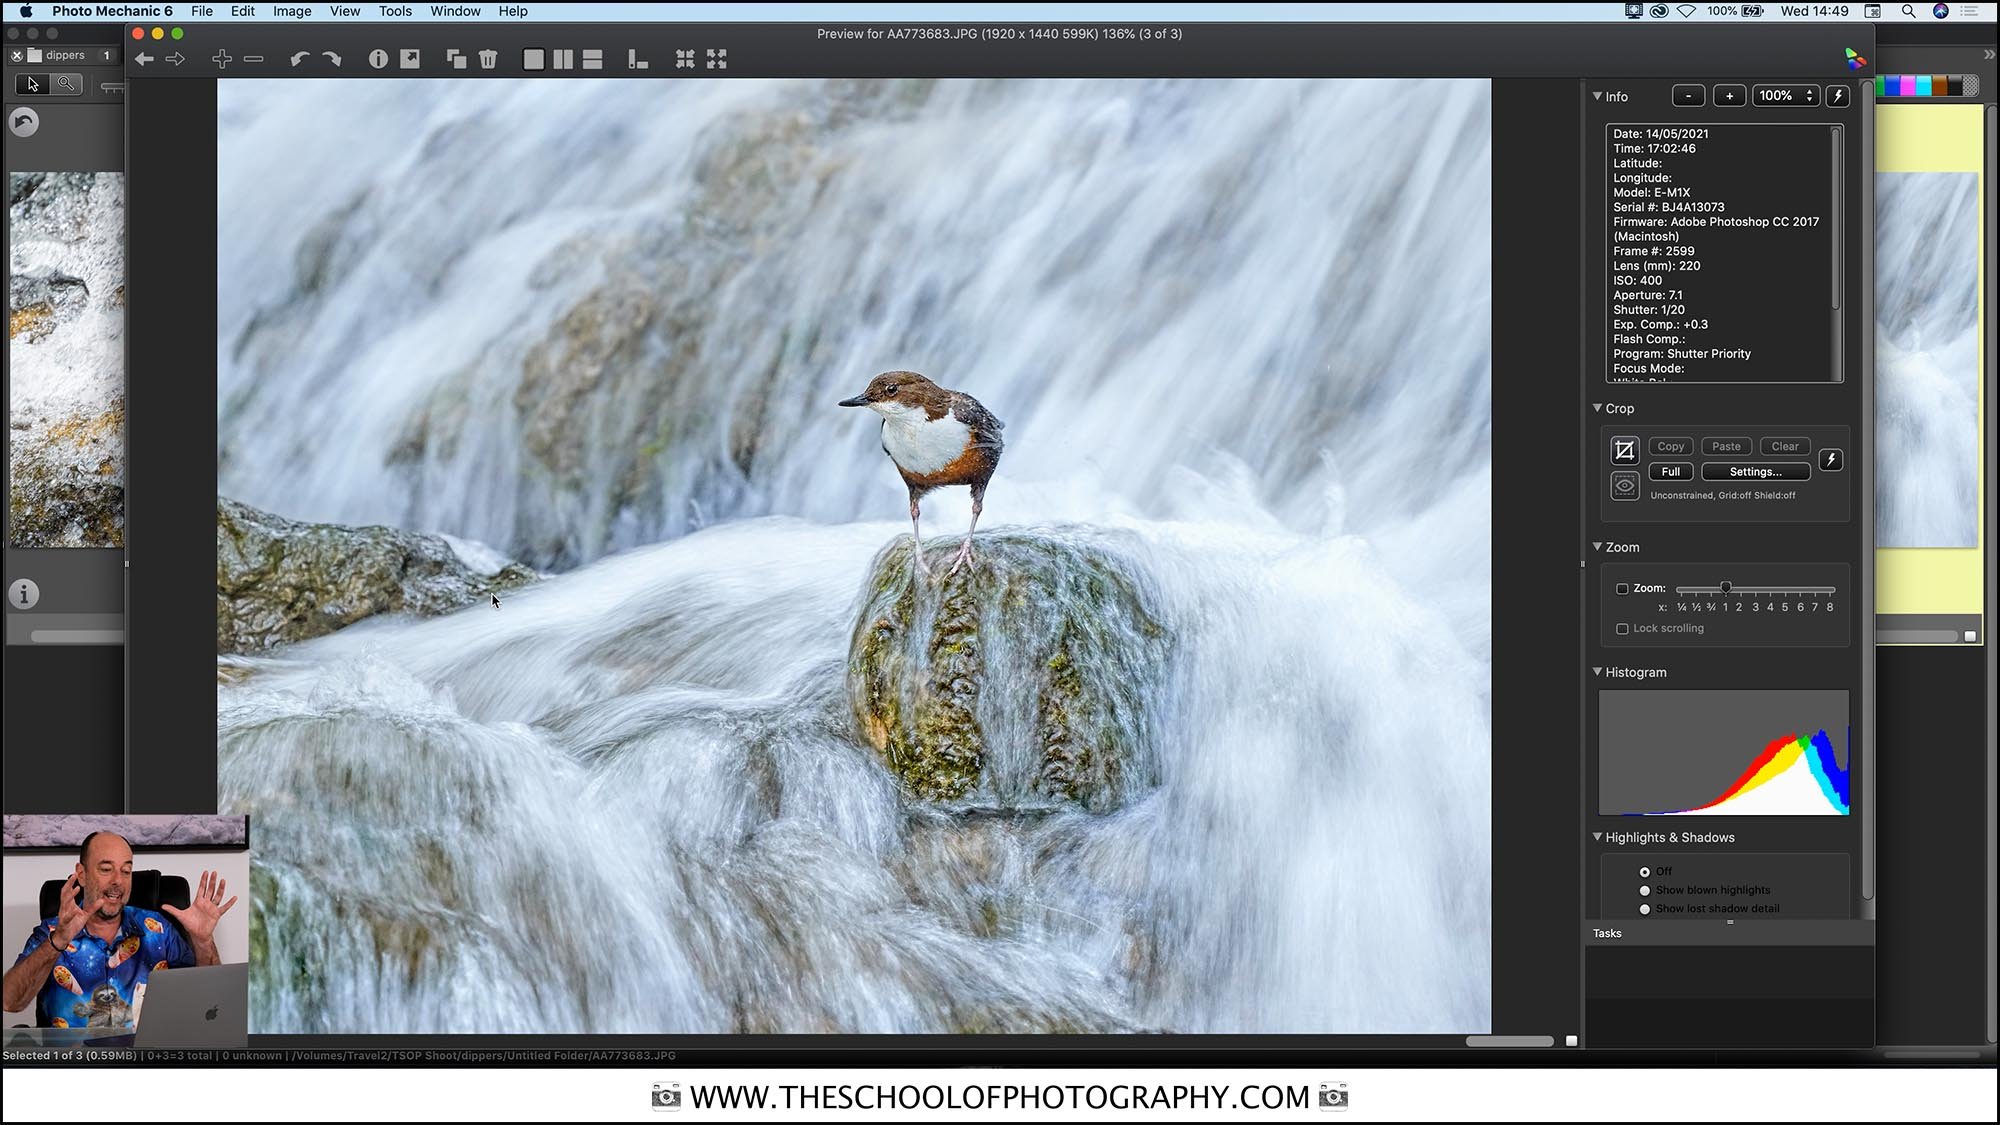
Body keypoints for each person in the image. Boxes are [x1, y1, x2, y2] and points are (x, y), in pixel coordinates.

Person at [3, 831, 237, 1028]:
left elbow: (210, 1001)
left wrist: (203, 941)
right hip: (73, 1068)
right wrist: (58, 941)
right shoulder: (53, 932)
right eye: (106, 869)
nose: (118, 881)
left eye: (126, 871)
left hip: (146, 1067)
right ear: (82, 875)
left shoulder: (158, 929)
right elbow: (10, 1002)